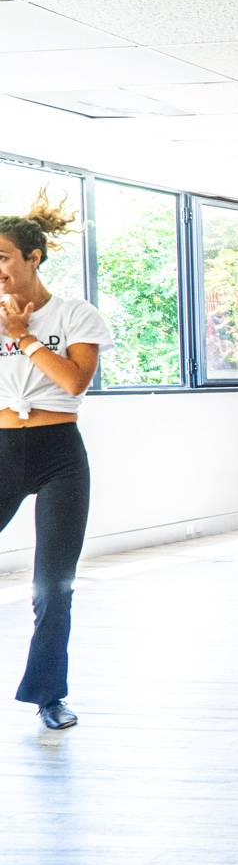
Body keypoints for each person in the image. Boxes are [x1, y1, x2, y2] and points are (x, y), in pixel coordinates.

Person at [0, 190, 112, 731]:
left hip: (59, 454)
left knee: (52, 587)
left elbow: (74, 382)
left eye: (2, 257)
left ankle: (48, 695)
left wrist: (23, 339)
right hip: (3, 448)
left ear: (33, 257)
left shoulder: (74, 314)